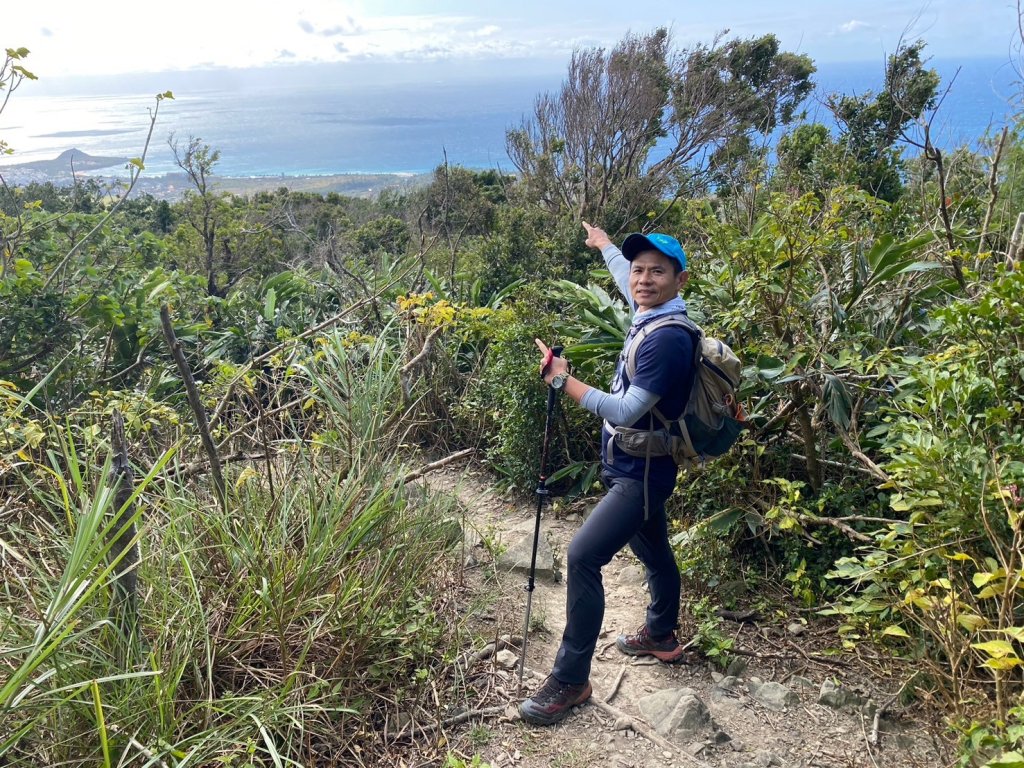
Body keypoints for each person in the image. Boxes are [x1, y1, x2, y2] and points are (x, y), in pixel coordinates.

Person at [519, 221, 697, 727]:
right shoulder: (654, 309)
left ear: (679, 280)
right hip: (641, 466)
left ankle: (571, 679)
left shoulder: (667, 341)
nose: (643, 279)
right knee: (655, 551)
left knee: (583, 556)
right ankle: (661, 634)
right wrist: (606, 246)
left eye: (657, 272)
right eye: (640, 270)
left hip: (640, 474)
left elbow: (623, 410)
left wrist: (563, 380)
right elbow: (626, 276)